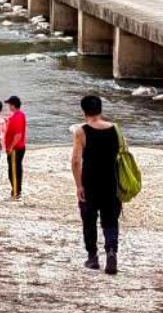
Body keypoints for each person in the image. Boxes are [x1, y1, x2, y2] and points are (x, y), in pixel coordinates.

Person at [70, 95, 122, 275]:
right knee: (111, 220)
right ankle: (111, 252)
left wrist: (79, 185)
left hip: (90, 182)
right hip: (112, 181)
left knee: (89, 220)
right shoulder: (115, 128)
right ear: (101, 109)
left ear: (83, 111)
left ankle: (92, 258)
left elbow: (76, 161)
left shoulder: (81, 131)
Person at [3, 95, 27, 200]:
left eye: (9, 104)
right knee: (15, 169)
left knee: (13, 171)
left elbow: (18, 135)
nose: (8, 106)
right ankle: (16, 191)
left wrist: (10, 147)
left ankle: (16, 193)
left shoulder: (17, 117)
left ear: (13, 105)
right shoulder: (19, 115)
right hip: (17, 148)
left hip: (15, 149)